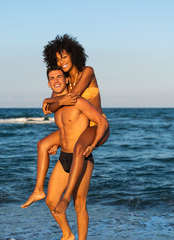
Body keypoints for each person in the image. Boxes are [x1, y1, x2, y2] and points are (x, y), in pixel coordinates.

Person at [22, 34, 109, 213]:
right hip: (79, 128)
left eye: (64, 56)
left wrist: (47, 99)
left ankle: (67, 197)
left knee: (78, 149)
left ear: (73, 54)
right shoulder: (66, 81)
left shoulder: (87, 71)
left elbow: (72, 97)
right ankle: (38, 190)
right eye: (57, 59)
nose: (61, 61)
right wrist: (59, 141)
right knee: (43, 144)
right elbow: (59, 108)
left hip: (96, 126)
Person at [44, 67, 108, 240]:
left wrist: (93, 144)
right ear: (48, 83)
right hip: (64, 156)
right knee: (50, 201)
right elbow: (67, 129)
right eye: (52, 78)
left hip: (82, 157)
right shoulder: (57, 106)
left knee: (79, 204)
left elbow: (101, 122)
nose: (56, 80)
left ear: (66, 80)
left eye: (59, 77)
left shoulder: (78, 101)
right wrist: (57, 144)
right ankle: (68, 234)